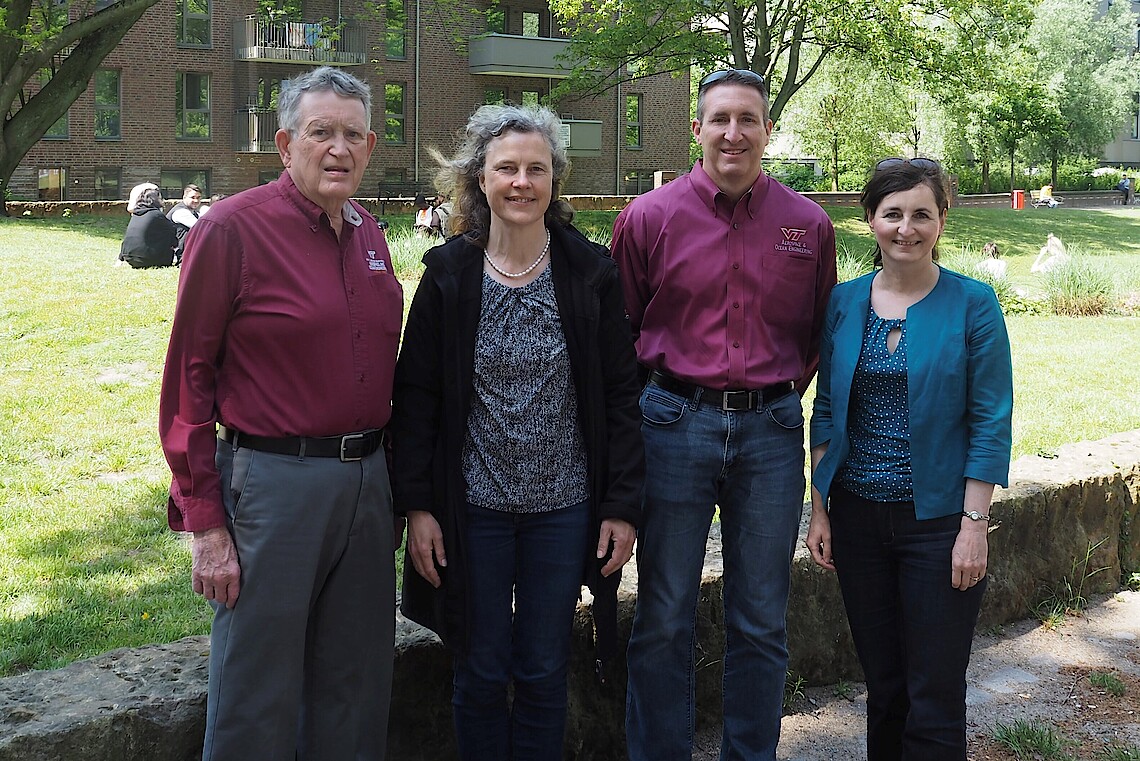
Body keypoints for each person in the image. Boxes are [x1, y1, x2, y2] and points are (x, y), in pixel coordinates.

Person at [158, 66, 403, 761]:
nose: (339, 148)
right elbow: (187, 380)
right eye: (321, 132)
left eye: (353, 134)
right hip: (271, 484)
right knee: (256, 691)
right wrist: (204, 522)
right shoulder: (231, 230)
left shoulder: (369, 235)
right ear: (285, 141)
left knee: (354, 688)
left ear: (370, 143)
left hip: (366, 484)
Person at [391, 104, 644, 760]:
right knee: (479, 671)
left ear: (555, 179)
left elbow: (622, 396)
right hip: (472, 511)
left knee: (540, 669)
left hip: (562, 513)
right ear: (480, 178)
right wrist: (419, 505)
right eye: (507, 168)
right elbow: (414, 398)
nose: (523, 181)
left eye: (537, 168)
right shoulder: (448, 276)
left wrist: (620, 503)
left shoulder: (590, 273)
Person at [614, 68, 837, 761]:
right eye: (720, 119)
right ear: (697, 128)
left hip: (771, 432)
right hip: (673, 422)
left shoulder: (808, 224)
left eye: (749, 119)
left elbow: (816, 337)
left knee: (762, 619)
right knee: (664, 614)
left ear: (769, 129)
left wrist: (772, 398)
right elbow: (621, 333)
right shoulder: (648, 218)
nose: (734, 133)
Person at [806, 157, 1013, 761]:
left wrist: (973, 526)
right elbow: (826, 412)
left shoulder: (973, 304)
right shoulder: (844, 304)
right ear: (869, 219)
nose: (906, 227)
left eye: (921, 214)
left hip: (939, 523)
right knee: (885, 690)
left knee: (935, 694)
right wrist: (821, 510)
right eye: (892, 213)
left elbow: (990, 418)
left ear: (942, 221)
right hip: (858, 519)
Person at [118, 186, 178, 268]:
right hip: (146, 259)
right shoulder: (156, 214)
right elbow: (172, 230)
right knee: (167, 234)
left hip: (129, 257)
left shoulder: (136, 214)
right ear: (155, 200)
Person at [167, 184, 203, 264]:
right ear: (184, 197)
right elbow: (201, 228)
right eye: (192, 197)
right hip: (176, 254)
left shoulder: (194, 212)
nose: (196, 201)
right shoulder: (180, 212)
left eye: (198, 198)